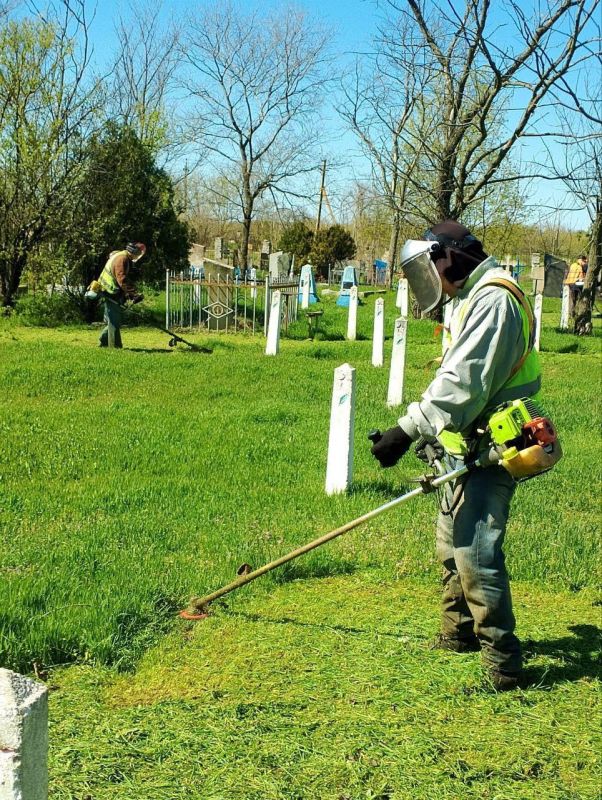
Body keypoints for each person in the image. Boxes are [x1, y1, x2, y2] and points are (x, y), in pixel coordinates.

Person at [371, 220, 542, 691]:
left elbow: (463, 383)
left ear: (444, 258)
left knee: (475, 550)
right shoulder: (472, 295)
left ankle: (504, 665)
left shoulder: (495, 300)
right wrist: (430, 435)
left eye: (427, 272)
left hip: (495, 443)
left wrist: (406, 430)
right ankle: (458, 634)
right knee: (450, 543)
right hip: (464, 443)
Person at [98, 242, 146, 348]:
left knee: (113, 319)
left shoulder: (120, 255)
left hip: (109, 290)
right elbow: (122, 279)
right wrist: (133, 294)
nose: (138, 257)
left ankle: (106, 342)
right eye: (138, 255)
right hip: (110, 291)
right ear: (134, 253)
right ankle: (113, 345)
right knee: (114, 320)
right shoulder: (122, 259)